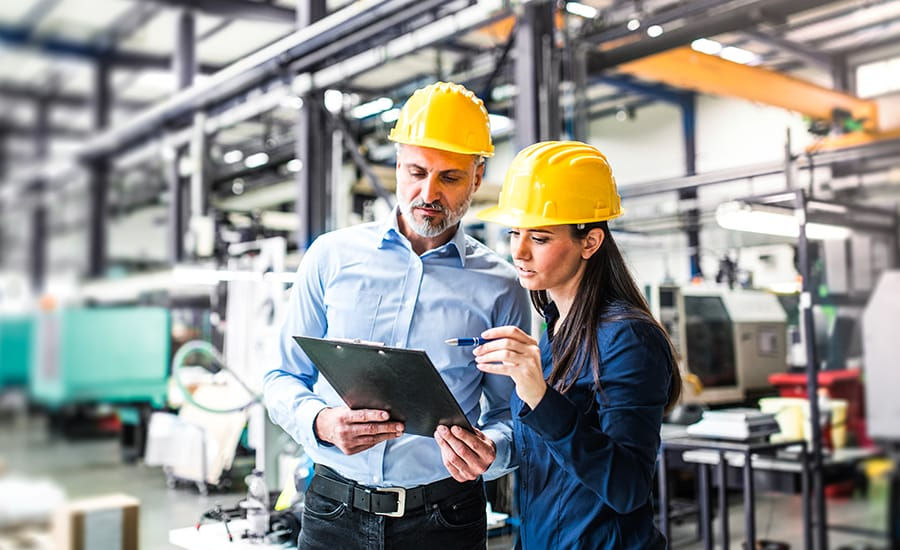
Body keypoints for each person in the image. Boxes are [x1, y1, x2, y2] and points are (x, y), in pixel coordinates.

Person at [263, 81, 531, 550]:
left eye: (449, 177)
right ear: (397, 164)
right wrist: (321, 422)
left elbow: (513, 413)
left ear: (477, 175)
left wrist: (494, 450)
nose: (428, 192)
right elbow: (281, 376)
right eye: (415, 171)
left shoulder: (500, 284)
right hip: (333, 512)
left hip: (445, 518)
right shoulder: (330, 257)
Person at [469, 140, 682, 549]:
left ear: (591, 242)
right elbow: (547, 473)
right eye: (515, 232)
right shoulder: (553, 334)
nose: (519, 251)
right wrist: (491, 450)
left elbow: (627, 488)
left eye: (542, 238)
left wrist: (539, 395)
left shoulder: (628, 339)